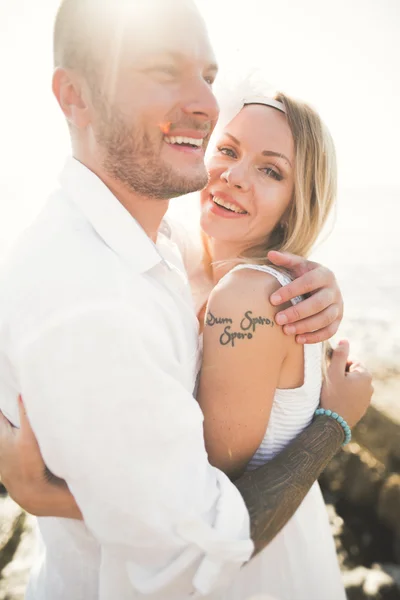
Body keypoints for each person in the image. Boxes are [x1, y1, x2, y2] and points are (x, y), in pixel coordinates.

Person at [0, 1, 372, 599]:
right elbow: (189, 526)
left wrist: (49, 497)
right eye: (229, 151)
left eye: (271, 172)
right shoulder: (115, 285)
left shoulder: (201, 269)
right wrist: (332, 422)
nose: (233, 175)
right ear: (75, 97)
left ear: (298, 201)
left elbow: (195, 516)